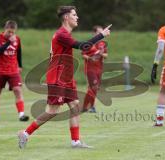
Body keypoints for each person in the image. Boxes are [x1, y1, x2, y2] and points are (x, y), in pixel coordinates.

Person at [17, 6, 111, 149]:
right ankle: (25, 133)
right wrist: (101, 35)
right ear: (66, 17)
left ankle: (75, 141)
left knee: (74, 106)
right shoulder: (61, 34)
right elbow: (82, 46)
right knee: (53, 111)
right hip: (57, 78)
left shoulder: (65, 34)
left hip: (66, 78)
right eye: (74, 14)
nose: (77, 17)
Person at [0, 20, 29, 121]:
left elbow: (19, 52)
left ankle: (21, 114)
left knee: (17, 90)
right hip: (0, 70)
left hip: (13, 70)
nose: (11, 34)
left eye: (13, 32)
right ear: (5, 29)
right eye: (9, 32)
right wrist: (9, 42)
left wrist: (20, 65)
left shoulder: (17, 39)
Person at [82, 25, 108, 113]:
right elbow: (83, 54)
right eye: (99, 32)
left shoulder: (103, 44)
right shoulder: (89, 43)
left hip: (99, 68)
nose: (101, 34)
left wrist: (101, 54)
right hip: (90, 68)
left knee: (94, 88)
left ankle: (85, 106)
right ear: (94, 33)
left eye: (102, 32)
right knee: (93, 87)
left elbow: (106, 55)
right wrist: (90, 58)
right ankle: (91, 107)